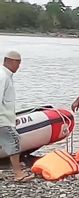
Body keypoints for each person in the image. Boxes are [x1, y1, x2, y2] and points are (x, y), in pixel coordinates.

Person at [0, 51, 35, 182]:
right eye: (18, 63)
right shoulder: (3, 76)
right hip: (2, 119)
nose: (19, 66)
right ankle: (18, 174)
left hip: (5, 117)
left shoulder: (6, 76)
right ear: (11, 61)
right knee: (14, 142)